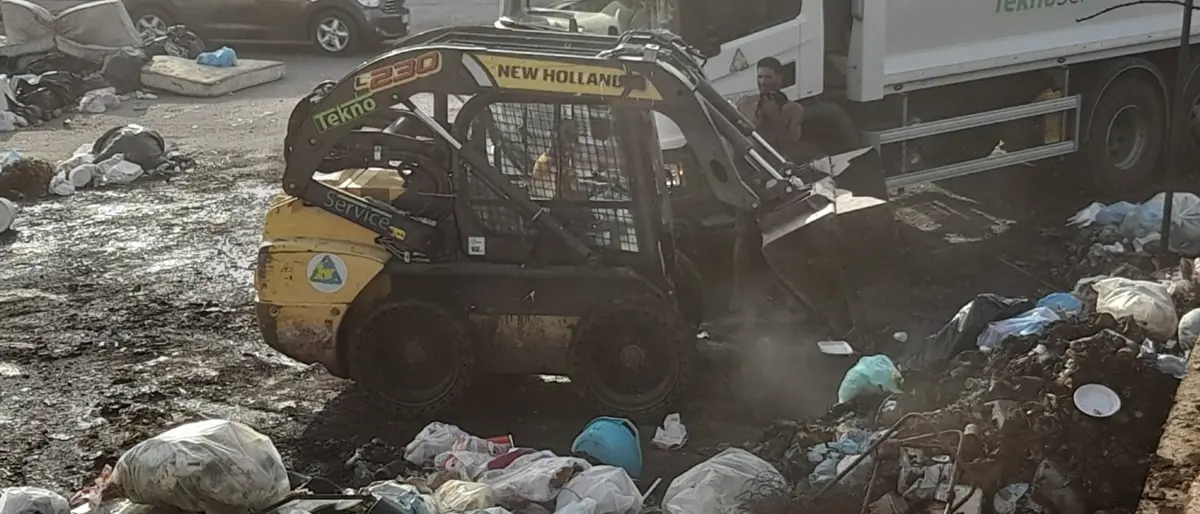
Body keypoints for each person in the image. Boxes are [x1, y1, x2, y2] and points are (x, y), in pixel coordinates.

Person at [735, 57, 805, 152]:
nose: (762, 82)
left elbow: (790, 149)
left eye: (768, 77)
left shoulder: (793, 110)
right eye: (760, 77)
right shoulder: (744, 103)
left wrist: (775, 116)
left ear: (779, 78)